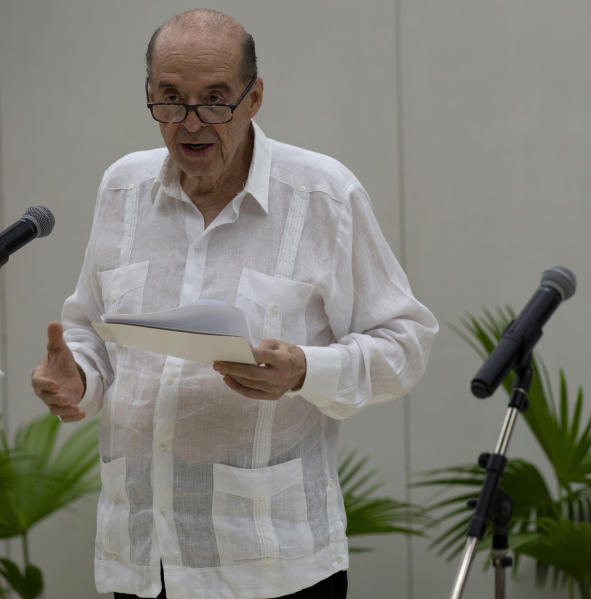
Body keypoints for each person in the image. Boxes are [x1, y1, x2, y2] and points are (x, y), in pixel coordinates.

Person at [30, 9, 437, 599]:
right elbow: (94, 334)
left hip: (270, 561)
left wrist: (304, 370)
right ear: (149, 95)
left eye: (215, 99)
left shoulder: (324, 196)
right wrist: (78, 379)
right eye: (170, 99)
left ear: (254, 97)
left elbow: (406, 344)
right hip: (142, 555)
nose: (191, 123)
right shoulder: (122, 189)